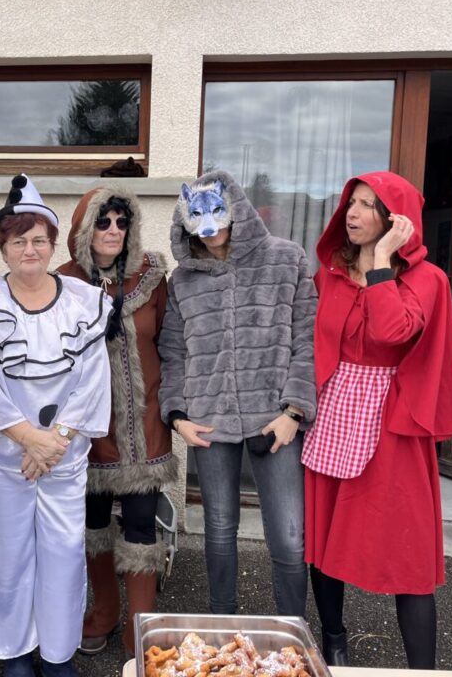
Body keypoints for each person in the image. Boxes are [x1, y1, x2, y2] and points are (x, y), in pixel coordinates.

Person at [303, 171, 452, 669]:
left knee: (407, 548)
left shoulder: (428, 279)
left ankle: (423, 670)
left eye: (367, 206)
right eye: (351, 203)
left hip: (393, 421)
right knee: (323, 538)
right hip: (334, 412)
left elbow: (394, 330)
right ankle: (334, 641)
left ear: (396, 220)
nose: (351, 214)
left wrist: (380, 263)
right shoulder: (330, 273)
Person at [0, 174, 112, 677]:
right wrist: (28, 439)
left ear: (52, 244)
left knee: (62, 557)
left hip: (62, 459)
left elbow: (92, 380)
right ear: (2, 248)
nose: (30, 250)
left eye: (39, 240)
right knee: (6, 556)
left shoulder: (82, 301)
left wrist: (56, 441)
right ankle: (14, 653)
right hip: (6, 460)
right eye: (18, 241)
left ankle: (57, 652)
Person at [158, 170, 317, 619]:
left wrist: (294, 411)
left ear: (237, 209)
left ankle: (293, 629)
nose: (209, 228)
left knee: (289, 534)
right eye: (197, 217)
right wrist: (178, 416)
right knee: (219, 526)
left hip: (275, 418)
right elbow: (173, 350)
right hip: (209, 418)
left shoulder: (285, 260)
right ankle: (221, 624)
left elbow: (307, 338)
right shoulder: (183, 280)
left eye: (217, 212)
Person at [55, 185, 176, 657]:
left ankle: (139, 629)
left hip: (145, 428)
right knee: (94, 523)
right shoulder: (64, 283)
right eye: (103, 221)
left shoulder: (152, 278)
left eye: (122, 222)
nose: (113, 230)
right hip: (88, 429)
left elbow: (169, 343)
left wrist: (177, 409)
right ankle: (103, 612)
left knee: (142, 525)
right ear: (84, 228)